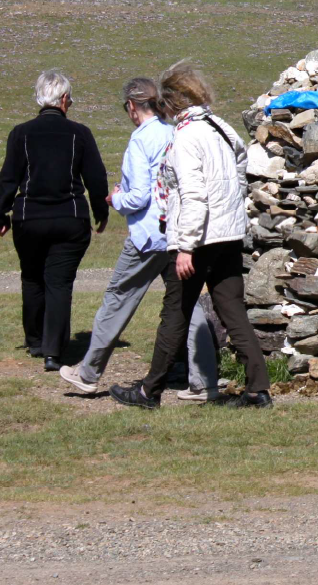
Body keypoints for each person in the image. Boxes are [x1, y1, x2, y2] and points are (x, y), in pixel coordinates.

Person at [110, 61, 272, 409]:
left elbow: (194, 194)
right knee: (232, 310)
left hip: (199, 239)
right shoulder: (222, 128)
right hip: (228, 234)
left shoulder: (185, 136)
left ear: (170, 103)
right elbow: (240, 172)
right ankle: (258, 388)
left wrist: (185, 247)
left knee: (175, 312)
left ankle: (148, 391)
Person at [59, 78, 222, 402]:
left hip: (148, 237)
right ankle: (204, 380)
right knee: (184, 304)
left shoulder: (140, 141)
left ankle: (88, 373)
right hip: (177, 234)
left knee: (118, 298)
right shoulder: (175, 131)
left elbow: (137, 197)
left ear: (132, 106)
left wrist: (115, 199)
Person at [0, 70, 109, 371]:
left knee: (32, 277)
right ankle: (53, 352)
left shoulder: (20, 133)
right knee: (59, 282)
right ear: (65, 100)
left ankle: (34, 340)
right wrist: (101, 211)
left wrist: (0, 215)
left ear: (38, 99)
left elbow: (9, 179)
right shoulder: (80, 134)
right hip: (70, 218)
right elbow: (95, 178)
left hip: (28, 218)